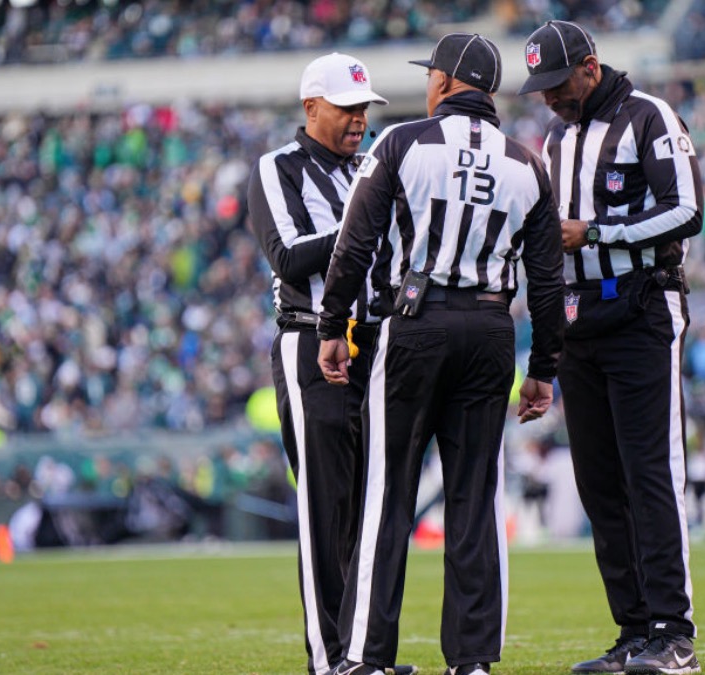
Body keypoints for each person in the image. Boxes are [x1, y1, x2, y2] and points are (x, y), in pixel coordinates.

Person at [317, 32, 565, 675]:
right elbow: (547, 280)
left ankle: (367, 659)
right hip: (489, 331)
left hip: (414, 323)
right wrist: (542, 370)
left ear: (448, 82)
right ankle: (474, 659)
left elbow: (353, 245)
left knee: (387, 495)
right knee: (475, 499)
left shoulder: (401, 142)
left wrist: (331, 324)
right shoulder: (528, 163)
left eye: (432, 75)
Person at [517, 20, 703, 675]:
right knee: (599, 481)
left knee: (651, 470)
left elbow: (687, 211)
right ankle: (633, 628)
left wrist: (595, 232)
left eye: (558, 84)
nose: (550, 98)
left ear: (590, 67)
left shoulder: (648, 116)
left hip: (644, 308)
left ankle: (673, 632)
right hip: (581, 320)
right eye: (540, 88)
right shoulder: (558, 136)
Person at [245, 52, 412, 675]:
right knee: (325, 505)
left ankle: (365, 652)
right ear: (310, 106)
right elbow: (287, 258)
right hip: (310, 340)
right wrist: (363, 217)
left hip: (375, 343)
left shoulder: (370, 168)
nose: (358, 121)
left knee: (371, 506)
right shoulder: (277, 168)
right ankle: (329, 657)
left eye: (364, 109)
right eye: (346, 108)